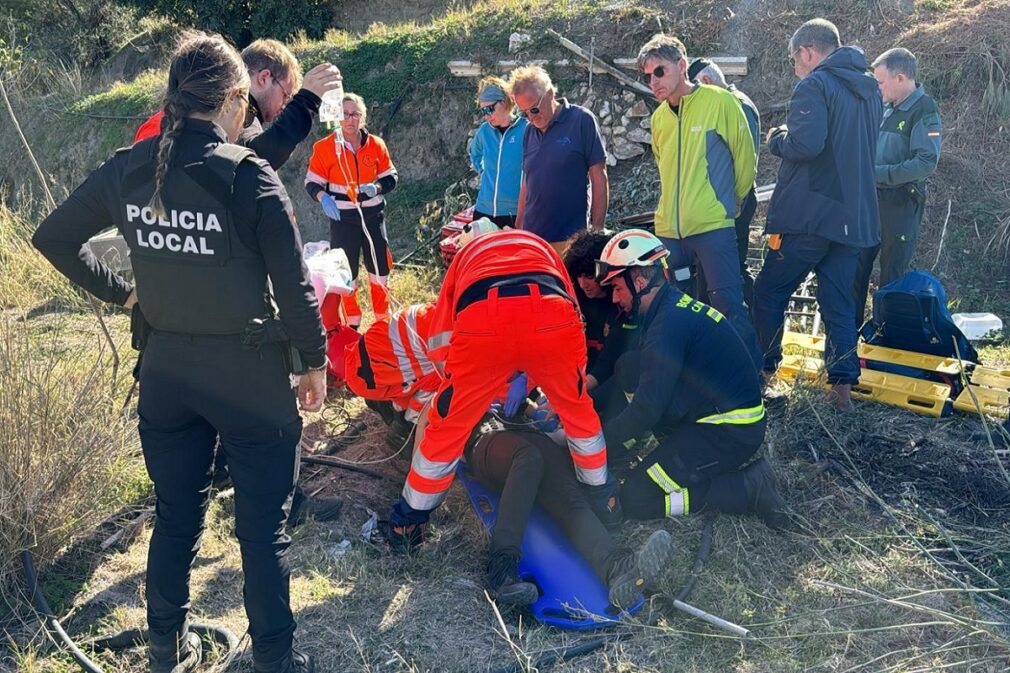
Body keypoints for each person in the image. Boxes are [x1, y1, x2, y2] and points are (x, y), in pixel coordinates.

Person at [33, 33, 324, 673]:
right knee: (260, 533)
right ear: (232, 97)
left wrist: (125, 293)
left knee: (175, 517)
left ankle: (165, 651)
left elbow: (53, 236)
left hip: (166, 373)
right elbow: (296, 289)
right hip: (248, 377)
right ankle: (275, 662)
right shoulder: (252, 178)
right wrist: (314, 363)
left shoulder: (130, 166)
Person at [381, 229, 617, 558]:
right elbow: (568, 314)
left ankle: (407, 521)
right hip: (552, 316)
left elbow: (441, 338)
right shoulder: (539, 245)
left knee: (447, 429)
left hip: (484, 322)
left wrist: (463, 384)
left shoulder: (466, 257)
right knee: (579, 414)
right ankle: (601, 497)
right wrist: (544, 378)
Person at [594, 230, 786, 529]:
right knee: (630, 366)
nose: (615, 298)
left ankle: (747, 489)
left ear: (639, 279)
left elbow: (647, 408)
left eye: (617, 287)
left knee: (635, 497)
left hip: (730, 432)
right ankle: (679, 453)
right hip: (720, 418)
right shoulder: (670, 309)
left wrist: (597, 445)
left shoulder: (666, 325)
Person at [753, 18, 883, 411]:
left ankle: (762, 375)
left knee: (769, 290)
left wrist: (777, 140)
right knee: (839, 303)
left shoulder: (814, 84)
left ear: (807, 52)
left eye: (795, 59)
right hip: (853, 218)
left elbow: (807, 144)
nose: (796, 67)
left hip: (810, 216)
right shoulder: (870, 91)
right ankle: (841, 391)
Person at [636, 35, 762, 373]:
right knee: (676, 308)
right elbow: (664, 167)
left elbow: (746, 159)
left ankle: (751, 382)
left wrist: (728, 204)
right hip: (669, 233)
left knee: (727, 305)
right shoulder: (659, 118)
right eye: (647, 76)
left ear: (681, 65)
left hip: (712, 226)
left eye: (659, 71)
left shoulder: (720, 102)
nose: (653, 82)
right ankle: (693, 381)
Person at [465, 420, 673, 608]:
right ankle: (502, 569)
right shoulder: (448, 384)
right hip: (486, 436)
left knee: (569, 496)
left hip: (531, 433)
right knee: (528, 458)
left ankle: (617, 569)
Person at [134, 38, 343, 170]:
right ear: (264, 78)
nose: (284, 106)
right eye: (286, 95)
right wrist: (306, 101)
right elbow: (255, 157)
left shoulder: (177, 113)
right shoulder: (237, 113)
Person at [853, 47, 942, 325]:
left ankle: (886, 337)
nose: (877, 87)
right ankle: (848, 334)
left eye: (880, 82)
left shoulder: (923, 109)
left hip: (900, 203)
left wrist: (878, 174)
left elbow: (926, 161)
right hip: (872, 201)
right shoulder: (887, 108)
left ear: (901, 78)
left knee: (891, 275)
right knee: (856, 268)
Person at [306, 92, 398, 329]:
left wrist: (376, 187)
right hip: (343, 219)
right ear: (337, 118)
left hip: (373, 217)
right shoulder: (325, 148)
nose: (350, 119)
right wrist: (323, 197)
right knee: (347, 274)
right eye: (345, 114)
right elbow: (312, 182)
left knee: (380, 271)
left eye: (355, 114)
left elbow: (391, 177)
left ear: (363, 117)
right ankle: (352, 325)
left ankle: (382, 322)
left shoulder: (376, 145)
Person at [508, 65, 608, 255]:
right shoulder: (529, 131)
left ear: (550, 94)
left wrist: (597, 232)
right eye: (524, 113)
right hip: (533, 241)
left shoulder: (581, 120)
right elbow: (527, 183)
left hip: (570, 241)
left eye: (535, 109)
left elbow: (599, 176)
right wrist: (519, 229)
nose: (531, 118)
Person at [687, 57, 761, 310]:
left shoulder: (735, 105)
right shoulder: (734, 102)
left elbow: (742, 161)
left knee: (731, 269)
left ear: (706, 81)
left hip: (731, 200)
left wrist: (732, 204)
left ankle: (750, 330)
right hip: (724, 199)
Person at [344, 301, 442, 447]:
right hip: (367, 377)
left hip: (361, 360)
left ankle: (390, 404)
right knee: (442, 382)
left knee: (428, 370)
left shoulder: (441, 309)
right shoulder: (450, 335)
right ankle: (405, 429)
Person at [563, 229, 637, 390]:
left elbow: (609, 362)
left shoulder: (621, 303)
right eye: (578, 276)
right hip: (580, 377)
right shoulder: (573, 299)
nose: (583, 284)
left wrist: (577, 397)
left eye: (589, 277)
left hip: (612, 381)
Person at [468, 76, 528, 229]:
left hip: (513, 213)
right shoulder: (484, 131)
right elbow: (474, 153)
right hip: (483, 211)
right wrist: (483, 171)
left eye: (489, 109)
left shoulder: (527, 130)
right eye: (483, 111)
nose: (486, 115)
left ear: (504, 102)